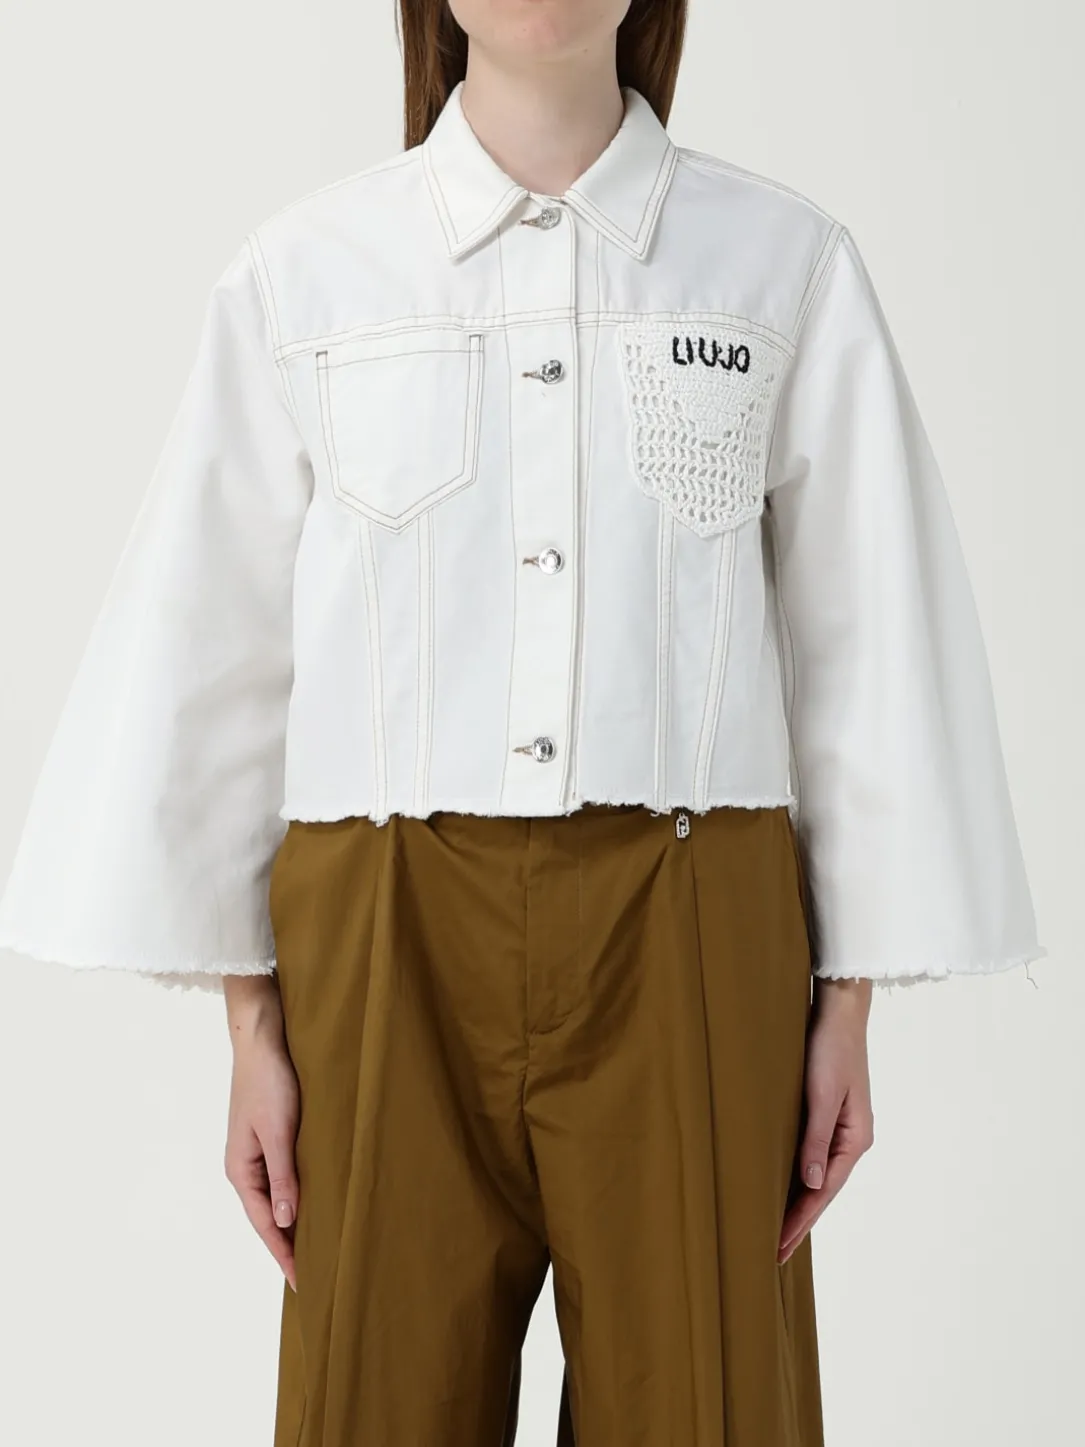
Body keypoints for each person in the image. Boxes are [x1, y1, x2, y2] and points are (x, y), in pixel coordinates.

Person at [0, 2, 1046, 1444]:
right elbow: (214, 647)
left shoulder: (782, 264)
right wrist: (250, 1022)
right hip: (386, 933)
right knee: (374, 1404)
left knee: (708, 1408)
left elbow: (869, 634)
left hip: (693, 924)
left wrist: (849, 999)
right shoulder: (307, 275)